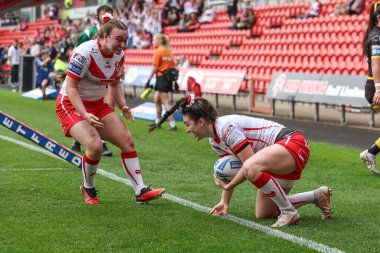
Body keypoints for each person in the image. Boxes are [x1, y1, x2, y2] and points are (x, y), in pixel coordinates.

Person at [150, 95, 332, 227]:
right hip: (279, 156)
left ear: (201, 122)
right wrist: (225, 202)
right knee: (264, 213)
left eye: (187, 124)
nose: (187, 130)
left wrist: (228, 187)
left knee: (252, 168)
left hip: (293, 144)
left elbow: (248, 165)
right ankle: (317, 196)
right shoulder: (215, 141)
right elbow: (233, 171)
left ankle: (289, 212)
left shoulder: (226, 128)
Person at [55, 19, 166, 205]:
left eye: (126, 40)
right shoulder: (84, 52)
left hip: (97, 104)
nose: (123, 45)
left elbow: (114, 84)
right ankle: (88, 187)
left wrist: (123, 106)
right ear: (105, 36)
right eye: (119, 39)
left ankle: (140, 190)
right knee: (95, 146)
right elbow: (71, 88)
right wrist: (84, 114)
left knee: (128, 142)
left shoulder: (119, 55)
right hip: (71, 104)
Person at [72, 5, 114, 156]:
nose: (106, 17)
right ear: (98, 17)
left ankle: (102, 142)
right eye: (103, 15)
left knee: (106, 107)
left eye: (109, 14)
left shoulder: (113, 34)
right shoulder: (89, 33)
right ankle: (78, 140)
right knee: (85, 107)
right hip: (86, 78)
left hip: (104, 77)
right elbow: (76, 53)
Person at [359, 2, 380, 175]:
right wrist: (379, 89)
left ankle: (371, 152)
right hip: (375, 87)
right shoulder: (376, 37)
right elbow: (376, 63)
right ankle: (371, 152)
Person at [146, 34, 177, 131]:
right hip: (167, 78)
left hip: (161, 78)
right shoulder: (168, 51)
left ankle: (173, 125)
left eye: (154, 39)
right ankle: (158, 122)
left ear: (160, 41)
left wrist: (149, 80)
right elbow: (172, 66)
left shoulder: (158, 51)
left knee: (166, 102)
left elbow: (155, 67)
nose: (153, 42)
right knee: (157, 100)